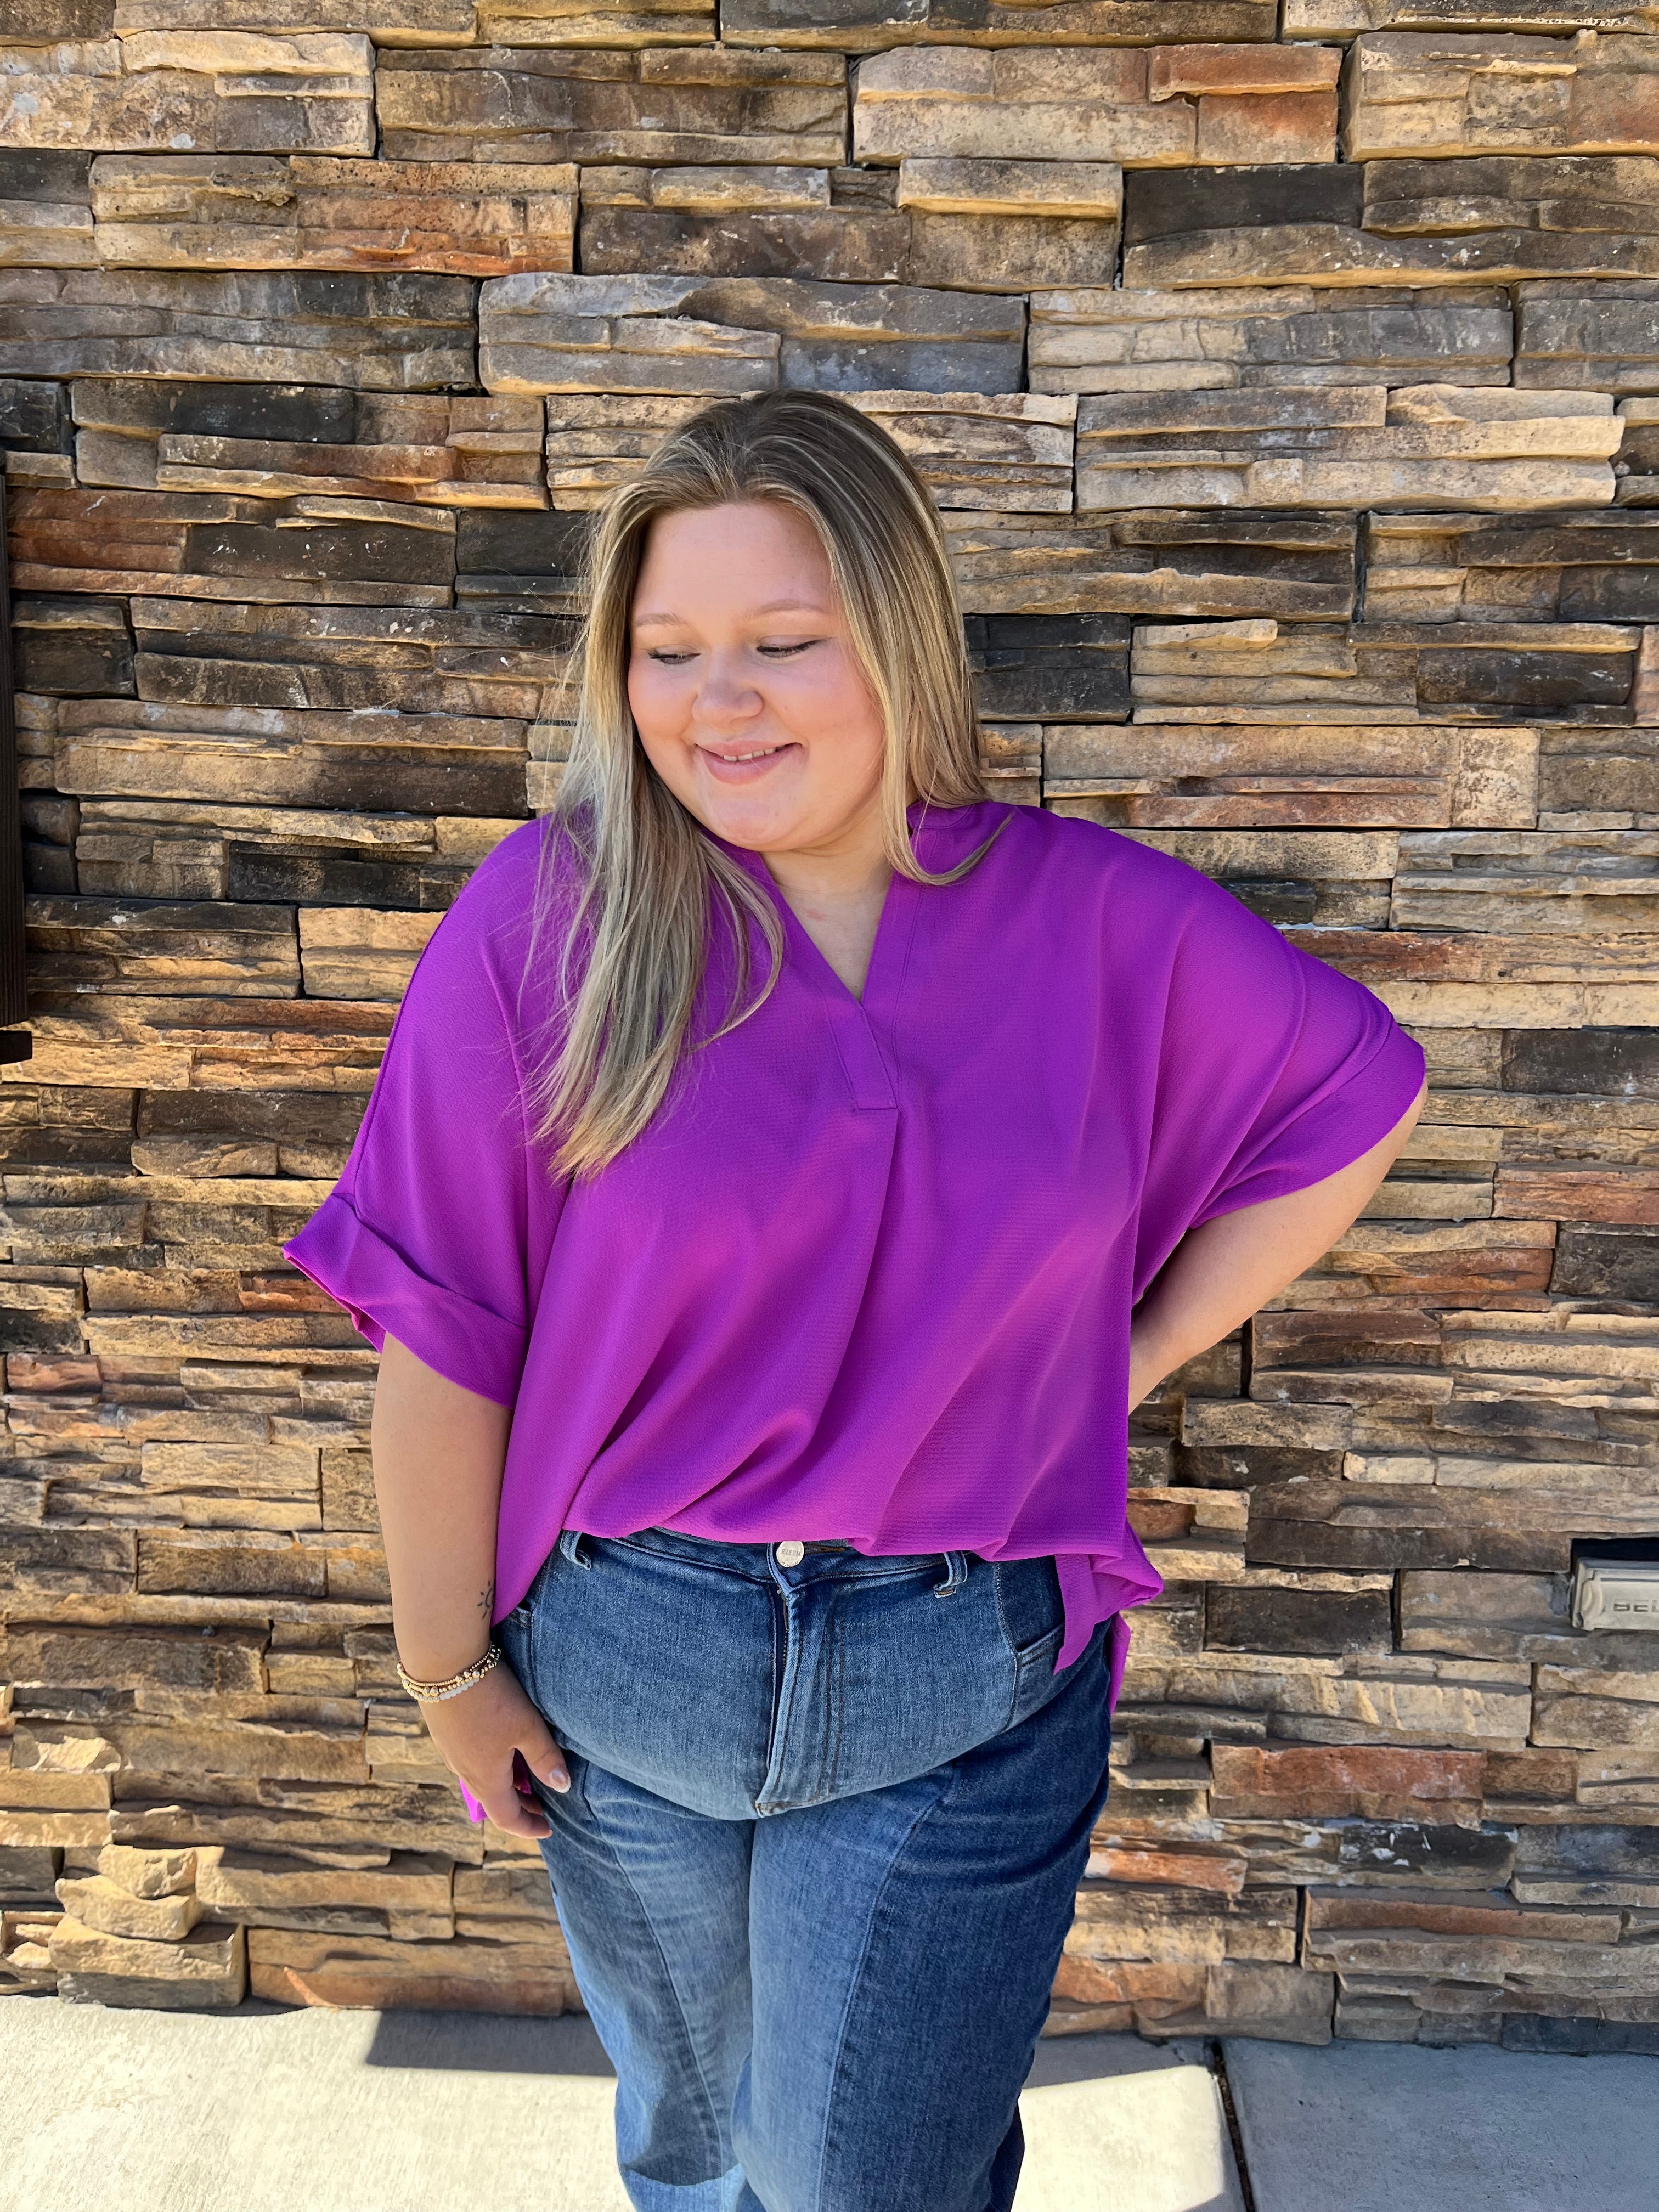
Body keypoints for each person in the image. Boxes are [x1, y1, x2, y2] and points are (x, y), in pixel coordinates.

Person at [283, 389, 1426, 2212]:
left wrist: (1124, 1360)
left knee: (874, 2186)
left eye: (782, 642)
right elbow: (444, 1334)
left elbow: (1351, 1098)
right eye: (669, 650)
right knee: (692, 2156)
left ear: (893, 636)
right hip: (623, 1679)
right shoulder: (555, 918)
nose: (716, 701)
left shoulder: (1092, 920)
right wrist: (447, 1675)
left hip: (958, 1682)